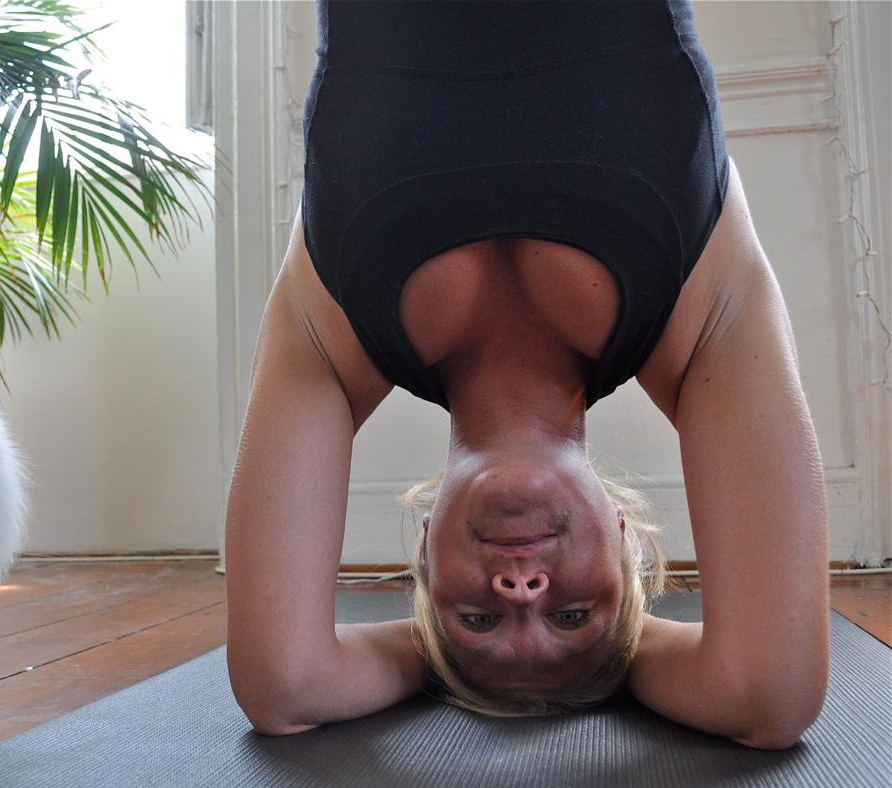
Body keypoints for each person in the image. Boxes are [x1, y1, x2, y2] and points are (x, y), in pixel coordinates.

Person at [224, 0, 829, 750]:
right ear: (620, 536)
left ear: (423, 552)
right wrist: (597, 654)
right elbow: (769, 697)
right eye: (575, 616)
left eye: (476, 619)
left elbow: (286, 689)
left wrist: (482, 653)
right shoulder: (696, 323)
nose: (522, 590)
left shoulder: (334, 341)